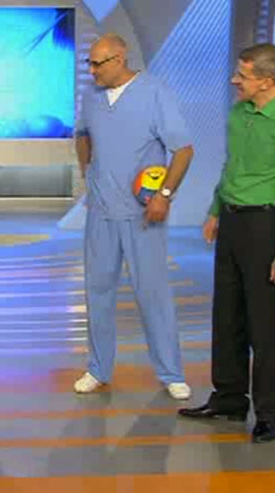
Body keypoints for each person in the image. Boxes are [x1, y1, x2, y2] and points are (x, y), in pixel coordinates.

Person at [178, 43, 275, 443]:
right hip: (232, 221)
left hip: (266, 225)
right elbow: (231, 167)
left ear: (267, 80)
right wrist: (215, 209)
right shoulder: (239, 114)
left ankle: (268, 412)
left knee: (264, 324)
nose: (234, 80)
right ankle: (228, 398)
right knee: (226, 316)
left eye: (243, 75)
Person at [74, 33, 194, 399]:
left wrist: (164, 195)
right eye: (89, 64)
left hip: (143, 214)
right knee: (97, 291)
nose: (92, 71)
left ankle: (171, 373)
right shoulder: (91, 97)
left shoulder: (155, 93)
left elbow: (183, 150)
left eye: (98, 64)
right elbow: (83, 135)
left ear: (119, 59)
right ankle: (98, 368)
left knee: (152, 292)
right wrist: (88, 175)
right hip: (101, 212)